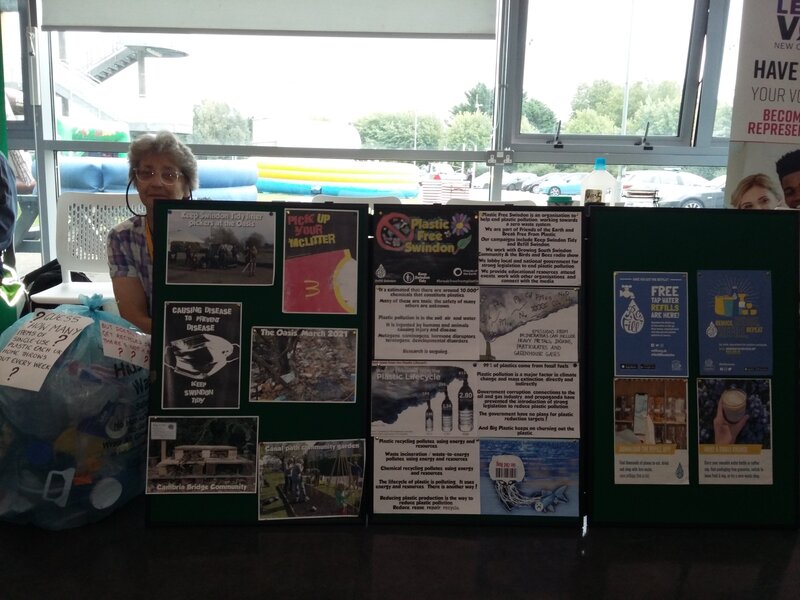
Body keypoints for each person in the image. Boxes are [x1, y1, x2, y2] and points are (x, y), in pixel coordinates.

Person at [107, 131, 197, 333]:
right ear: (136, 181)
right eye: (146, 173)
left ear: (186, 187)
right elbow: (134, 317)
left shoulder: (210, 229)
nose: (157, 183)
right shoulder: (121, 238)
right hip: (153, 343)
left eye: (169, 174)